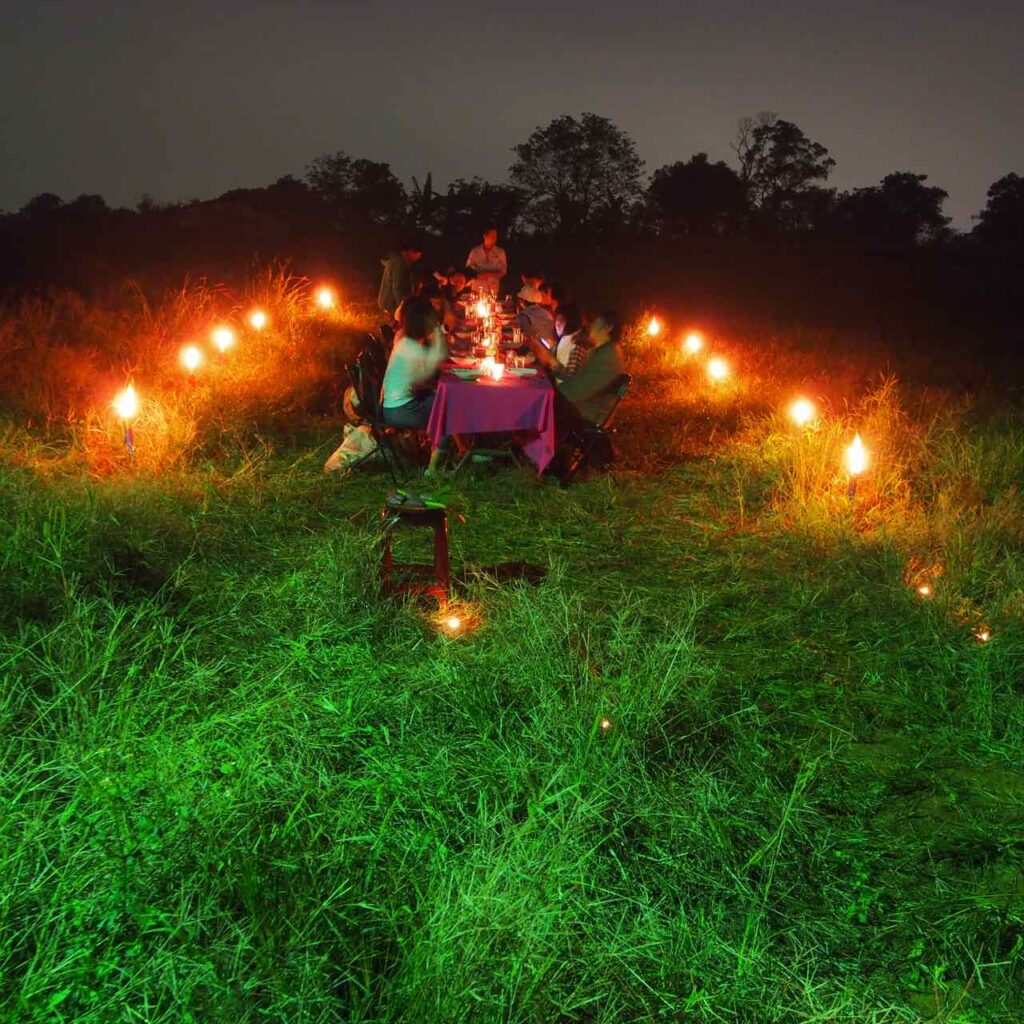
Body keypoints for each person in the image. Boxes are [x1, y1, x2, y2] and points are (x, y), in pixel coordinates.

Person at [380, 295, 449, 473]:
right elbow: (435, 361)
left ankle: (442, 453)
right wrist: (439, 333)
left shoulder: (405, 342)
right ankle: (432, 470)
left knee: (440, 398)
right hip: (399, 411)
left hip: (393, 405)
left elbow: (420, 377)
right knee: (446, 409)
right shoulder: (411, 348)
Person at [554, 309, 626, 428]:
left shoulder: (608, 356)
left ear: (607, 328)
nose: (591, 326)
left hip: (586, 414)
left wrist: (553, 393)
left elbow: (579, 390)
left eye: (596, 323)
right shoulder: (599, 351)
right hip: (580, 406)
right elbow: (577, 381)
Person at [530, 302, 586, 375]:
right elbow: (550, 358)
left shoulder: (577, 346)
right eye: (557, 319)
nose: (557, 323)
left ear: (572, 321)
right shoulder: (563, 340)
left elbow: (570, 377)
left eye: (562, 320)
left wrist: (552, 361)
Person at [378, 240, 424, 320]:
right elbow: (397, 288)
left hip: (389, 302)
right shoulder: (400, 263)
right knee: (395, 329)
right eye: (418, 255)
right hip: (392, 304)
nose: (419, 258)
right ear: (411, 251)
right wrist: (403, 309)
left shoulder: (398, 260)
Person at [465, 226, 507, 295]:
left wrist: (489, 274)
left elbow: (503, 271)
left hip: (492, 289)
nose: (494, 239)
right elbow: (468, 269)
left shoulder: (500, 252)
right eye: (492, 236)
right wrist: (477, 275)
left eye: (495, 236)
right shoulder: (475, 251)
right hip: (476, 289)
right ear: (485, 236)